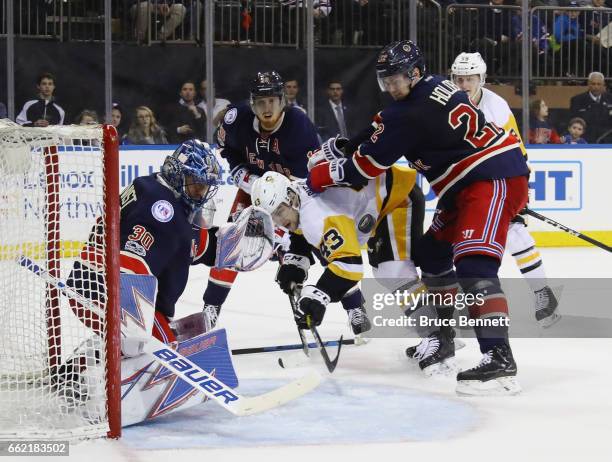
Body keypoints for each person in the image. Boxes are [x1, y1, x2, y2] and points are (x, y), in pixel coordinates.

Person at [307, 40, 529, 395]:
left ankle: (499, 358)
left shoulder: (409, 111)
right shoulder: (431, 87)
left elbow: (364, 168)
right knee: (431, 255)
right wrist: (349, 144)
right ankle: (443, 335)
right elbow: (384, 128)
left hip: (488, 179)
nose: (390, 87)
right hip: (472, 183)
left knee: (474, 263)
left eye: (395, 79)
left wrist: (320, 174)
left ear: (413, 73)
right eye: (385, 81)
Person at [201, 70, 320, 331]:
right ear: (252, 103)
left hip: (290, 195)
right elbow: (226, 150)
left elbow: (306, 179)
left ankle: (354, 305)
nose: (267, 108)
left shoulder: (299, 126)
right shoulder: (236, 120)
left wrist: (281, 231)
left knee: (320, 239)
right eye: (260, 102)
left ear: (282, 101)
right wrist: (244, 176)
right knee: (231, 244)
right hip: (254, 190)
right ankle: (211, 308)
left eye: (272, 102)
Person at [251, 159, 424, 335]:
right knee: (384, 272)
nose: (279, 222)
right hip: (379, 202)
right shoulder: (295, 194)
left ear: (291, 198)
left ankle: (438, 334)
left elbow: (350, 266)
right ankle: (437, 330)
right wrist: (295, 262)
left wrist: (318, 296)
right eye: (273, 217)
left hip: (397, 197)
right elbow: (302, 233)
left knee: (394, 272)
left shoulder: (316, 217)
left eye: (279, 212)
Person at [450, 52, 559, 327]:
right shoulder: (446, 105)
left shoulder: (495, 106)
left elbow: (516, 149)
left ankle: (542, 292)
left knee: (515, 232)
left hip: (498, 179)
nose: (464, 84)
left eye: (470, 79)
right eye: (459, 79)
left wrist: (519, 189)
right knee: (464, 244)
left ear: (481, 79)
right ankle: (473, 301)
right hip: (464, 182)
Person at [569, 71, 612, 142]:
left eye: (599, 84)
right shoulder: (577, 100)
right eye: (593, 84)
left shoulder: (610, 99)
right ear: (588, 84)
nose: (596, 87)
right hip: (585, 141)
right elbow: (573, 122)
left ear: (603, 84)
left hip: (607, 141)